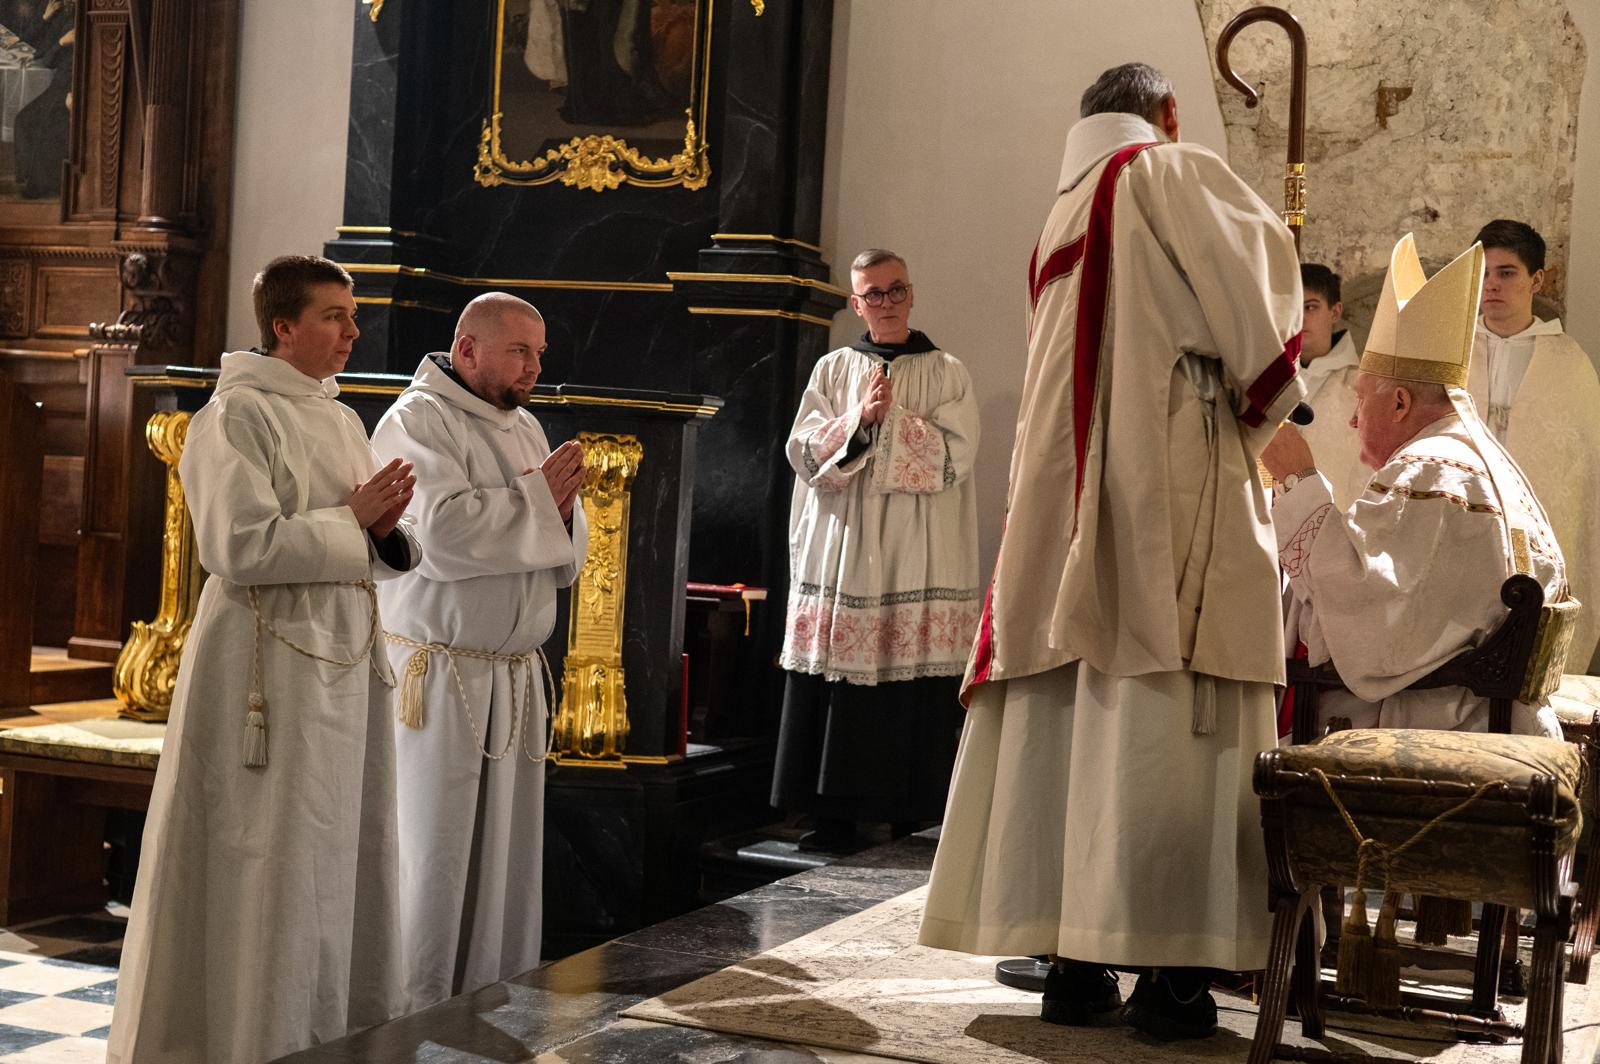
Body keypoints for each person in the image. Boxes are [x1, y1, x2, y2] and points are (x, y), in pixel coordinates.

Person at [918, 63, 1305, 1041]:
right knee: (1164, 718)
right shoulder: (1167, 171)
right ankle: (1172, 980)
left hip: (1060, 499)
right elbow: (1261, 322)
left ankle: (1073, 965)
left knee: (1069, 716)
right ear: (1166, 114)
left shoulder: (1059, 212)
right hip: (1161, 487)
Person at [108, 256, 419, 1064]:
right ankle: (246, 1038)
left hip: (341, 663)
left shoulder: (341, 418)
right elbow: (238, 545)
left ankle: (326, 1036)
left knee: (334, 847)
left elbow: (369, 535)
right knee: (268, 853)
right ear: (283, 326)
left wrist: (385, 531)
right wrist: (353, 520)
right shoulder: (234, 416)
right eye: (334, 316)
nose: (353, 331)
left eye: (352, 314)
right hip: (265, 665)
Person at [372, 292, 589, 1010]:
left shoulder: (525, 425)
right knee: (434, 847)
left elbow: (560, 538)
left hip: (511, 677)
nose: (534, 368)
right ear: (467, 349)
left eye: (539, 353)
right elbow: (437, 536)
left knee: (504, 853)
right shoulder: (416, 421)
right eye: (519, 351)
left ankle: (492, 989)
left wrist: (559, 511)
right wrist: (541, 503)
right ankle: (417, 1002)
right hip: (441, 676)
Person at [1266, 235, 1565, 738]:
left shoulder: (1429, 471)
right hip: (1482, 711)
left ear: (1400, 403)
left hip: (1451, 727)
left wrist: (1298, 480)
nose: (1353, 420)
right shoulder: (1466, 455)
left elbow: (1371, 621)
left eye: (1362, 400)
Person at [773, 248, 980, 853]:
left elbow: (956, 456)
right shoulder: (833, 368)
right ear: (856, 303)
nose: (886, 303)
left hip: (918, 545)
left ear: (911, 294)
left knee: (908, 675)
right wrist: (859, 422)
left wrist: (893, 424)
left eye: (896, 290)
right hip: (846, 541)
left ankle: (907, 815)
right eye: (873, 294)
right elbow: (803, 451)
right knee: (839, 674)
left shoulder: (947, 372)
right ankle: (830, 816)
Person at [1465, 219, 1600, 671]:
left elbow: (1583, 466)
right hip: (1465, 515)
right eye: (1483, 273)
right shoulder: (1452, 350)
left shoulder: (1568, 362)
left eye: (1506, 273)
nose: (1492, 285)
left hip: (1538, 523)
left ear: (1536, 280)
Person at [1296, 263, 1367, 509]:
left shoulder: (1361, 386)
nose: (1300, 317)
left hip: (1336, 515)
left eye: (1310, 307)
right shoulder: (1264, 380)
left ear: (1335, 312)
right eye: (1292, 307)